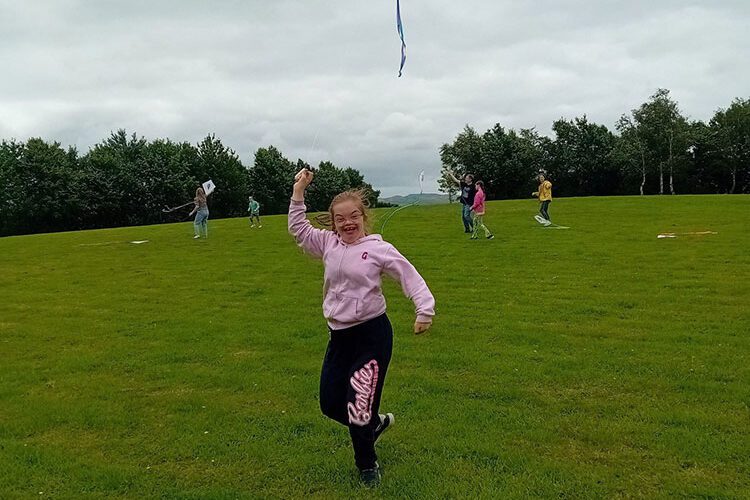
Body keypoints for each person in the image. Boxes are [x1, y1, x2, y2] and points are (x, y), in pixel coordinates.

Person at [288, 168, 435, 487]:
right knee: (329, 403)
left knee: (358, 404)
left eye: (354, 216)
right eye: (340, 219)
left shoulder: (378, 248)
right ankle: (374, 425)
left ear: (363, 217)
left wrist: (424, 309)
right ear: (333, 221)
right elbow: (299, 230)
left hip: (372, 336)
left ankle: (367, 465)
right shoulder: (327, 243)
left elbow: (408, 275)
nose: (348, 223)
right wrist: (299, 189)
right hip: (340, 338)